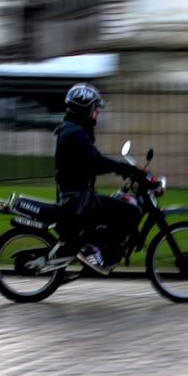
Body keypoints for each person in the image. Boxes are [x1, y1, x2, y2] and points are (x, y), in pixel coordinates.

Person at [54, 83, 143, 275]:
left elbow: (90, 163)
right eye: (95, 109)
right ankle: (91, 250)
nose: (97, 114)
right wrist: (125, 169)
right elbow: (96, 162)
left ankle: (97, 247)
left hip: (78, 196)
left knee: (117, 205)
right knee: (131, 212)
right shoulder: (76, 133)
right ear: (84, 108)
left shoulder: (73, 130)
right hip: (78, 199)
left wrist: (122, 169)